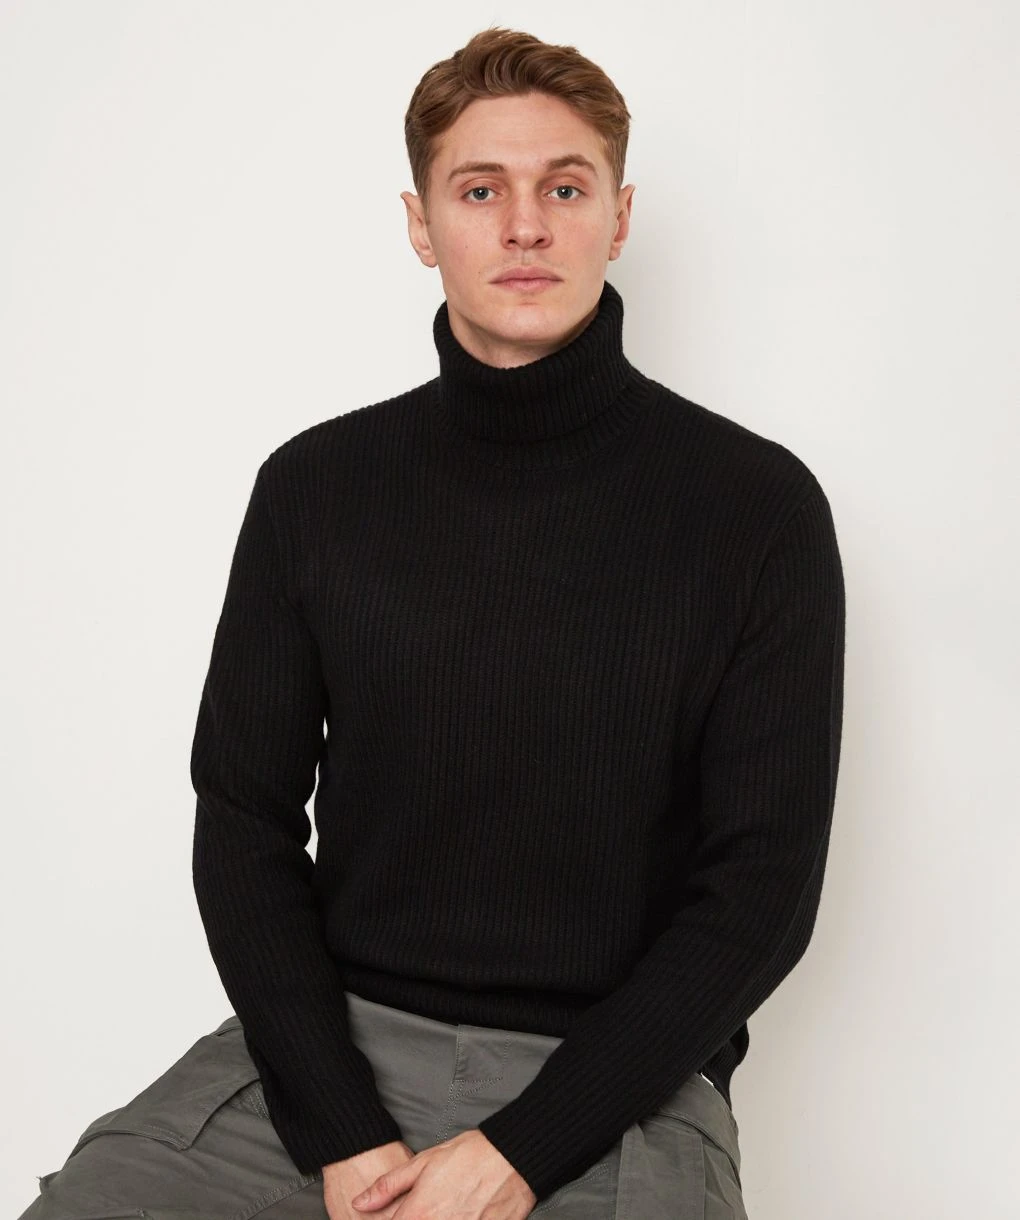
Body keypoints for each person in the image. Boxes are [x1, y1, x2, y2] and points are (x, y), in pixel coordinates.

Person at [18, 25, 845, 1220]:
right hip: (331, 1056)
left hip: (614, 1080)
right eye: (481, 190)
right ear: (422, 224)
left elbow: (761, 892)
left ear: (619, 218)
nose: (526, 226)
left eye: (566, 188)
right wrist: (342, 1127)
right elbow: (243, 818)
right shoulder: (315, 488)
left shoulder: (756, 509)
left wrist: (518, 1151)